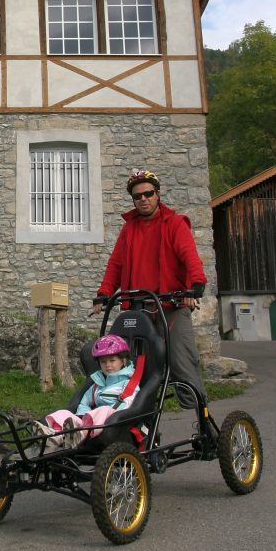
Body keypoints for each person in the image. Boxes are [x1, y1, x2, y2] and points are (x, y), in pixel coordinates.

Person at [94, 168, 207, 403]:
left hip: (170, 305)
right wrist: (104, 294)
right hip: (138, 308)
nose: (143, 199)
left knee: (181, 362)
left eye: (148, 193)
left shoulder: (175, 224)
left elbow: (190, 256)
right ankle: (138, 427)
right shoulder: (129, 229)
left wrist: (196, 285)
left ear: (158, 194)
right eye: (137, 196)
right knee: (134, 367)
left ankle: (204, 424)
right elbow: (116, 264)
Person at [37, 334, 140, 449]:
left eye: (112, 360)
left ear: (123, 361)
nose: (108, 365)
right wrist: (83, 416)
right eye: (103, 362)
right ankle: (53, 436)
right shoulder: (98, 384)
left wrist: (112, 416)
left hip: (114, 421)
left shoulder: (129, 384)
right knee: (64, 414)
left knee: (103, 410)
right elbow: (84, 402)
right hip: (90, 420)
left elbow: (129, 404)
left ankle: (81, 434)